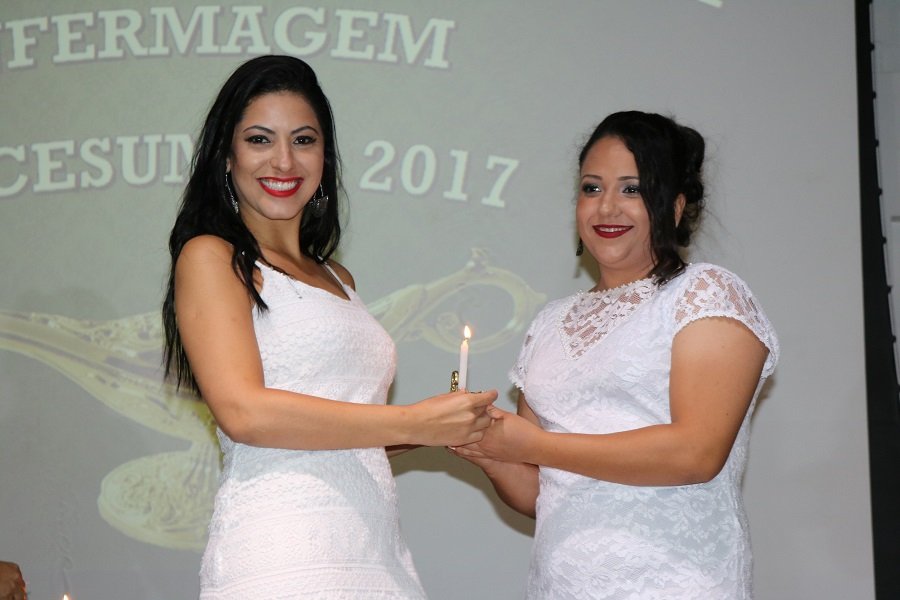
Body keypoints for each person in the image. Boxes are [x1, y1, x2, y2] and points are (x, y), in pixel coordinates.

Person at [161, 55, 496, 599]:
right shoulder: (211, 257)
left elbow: (342, 434)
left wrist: (437, 427)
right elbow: (244, 413)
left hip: (374, 550)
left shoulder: (338, 278)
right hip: (283, 551)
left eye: (304, 140)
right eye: (260, 140)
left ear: (325, 156)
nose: (284, 160)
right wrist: (411, 420)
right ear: (226, 155)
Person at [451, 111, 779, 599]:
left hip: (676, 582)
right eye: (592, 188)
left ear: (675, 206)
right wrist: (489, 451)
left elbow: (696, 453)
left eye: (632, 189)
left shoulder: (705, 294)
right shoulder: (550, 322)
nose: (606, 207)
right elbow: (540, 492)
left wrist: (532, 445)